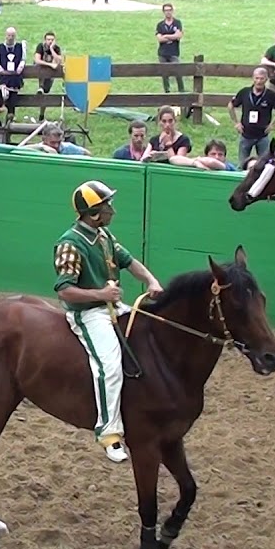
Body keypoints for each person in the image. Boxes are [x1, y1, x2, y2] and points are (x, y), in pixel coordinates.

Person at [54, 181, 162, 464]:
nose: (112, 210)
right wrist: (100, 294)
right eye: (107, 206)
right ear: (93, 213)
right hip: (89, 313)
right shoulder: (70, 243)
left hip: (113, 306)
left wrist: (151, 280)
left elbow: (129, 262)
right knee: (110, 366)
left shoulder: (103, 235)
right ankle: (109, 434)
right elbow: (64, 289)